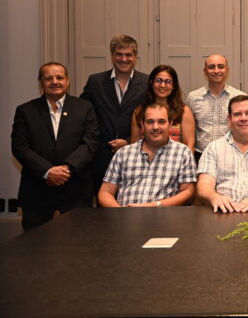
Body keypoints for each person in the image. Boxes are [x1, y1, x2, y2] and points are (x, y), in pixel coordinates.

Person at [12, 63, 99, 230]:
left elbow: (90, 142)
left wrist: (66, 169)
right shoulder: (25, 111)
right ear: (40, 82)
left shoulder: (84, 108)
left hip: (76, 190)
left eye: (59, 77)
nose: (55, 82)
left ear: (67, 81)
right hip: (37, 190)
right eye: (48, 78)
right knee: (35, 243)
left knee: (79, 241)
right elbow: (20, 147)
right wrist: (48, 171)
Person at [80, 34, 149, 196]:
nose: (123, 59)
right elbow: (84, 114)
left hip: (136, 155)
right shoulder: (95, 82)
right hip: (101, 156)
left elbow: (150, 118)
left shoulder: (147, 82)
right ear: (112, 55)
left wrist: (129, 141)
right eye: (119, 54)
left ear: (135, 57)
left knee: (133, 201)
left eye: (128, 55)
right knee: (103, 203)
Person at [98, 103, 196, 207]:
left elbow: (188, 192)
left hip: (164, 215)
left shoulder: (183, 153)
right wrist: (119, 211)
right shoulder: (123, 153)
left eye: (161, 122)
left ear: (170, 125)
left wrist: (155, 205)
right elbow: (105, 192)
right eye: (150, 122)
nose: (155, 127)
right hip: (126, 215)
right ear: (142, 125)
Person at [186, 54, 245, 162]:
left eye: (220, 66)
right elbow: (188, 131)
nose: (216, 70)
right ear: (205, 71)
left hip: (231, 156)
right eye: (211, 67)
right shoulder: (193, 97)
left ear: (227, 70)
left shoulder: (239, 97)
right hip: (201, 156)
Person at [129, 65, 195, 151]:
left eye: (168, 81)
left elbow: (189, 145)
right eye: (158, 80)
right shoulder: (139, 111)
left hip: (176, 158)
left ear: (174, 85)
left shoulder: (183, 111)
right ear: (152, 83)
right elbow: (134, 144)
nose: (162, 85)